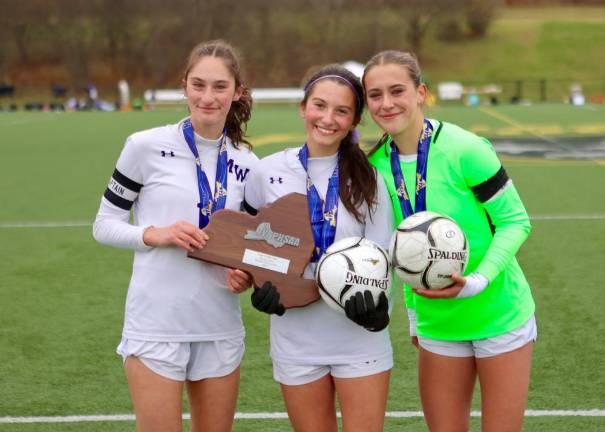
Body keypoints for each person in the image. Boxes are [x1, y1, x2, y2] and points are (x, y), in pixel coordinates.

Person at [363, 50, 536, 432]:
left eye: (397, 91)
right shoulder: (375, 167)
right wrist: (412, 314)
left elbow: (515, 221)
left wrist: (478, 281)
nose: (387, 103)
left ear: (420, 92)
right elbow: (403, 251)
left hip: (499, 315)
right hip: (437, 325)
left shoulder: (465, 150)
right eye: (375, 95)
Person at [92, 40, 257, 432]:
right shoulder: (143, 146)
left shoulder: (249, 165)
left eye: (219, 86)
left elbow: (250, 248)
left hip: (219, 328)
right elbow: (103, 224)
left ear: (237, 92)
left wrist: (246, 275)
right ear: (184, 86)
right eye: (198, 85)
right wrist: (155, 234)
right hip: (156, 326)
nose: (208, 96)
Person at [242, 64, 394, 432]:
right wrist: (257, 284)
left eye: (341, 111)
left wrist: (379, 308)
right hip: (295, 337)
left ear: (354, 119)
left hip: (358, 338)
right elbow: (249, 246)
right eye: (319, 106)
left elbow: (382, 258)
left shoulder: (369, 177)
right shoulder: (266, 172)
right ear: (303, 107)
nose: (328, 119)